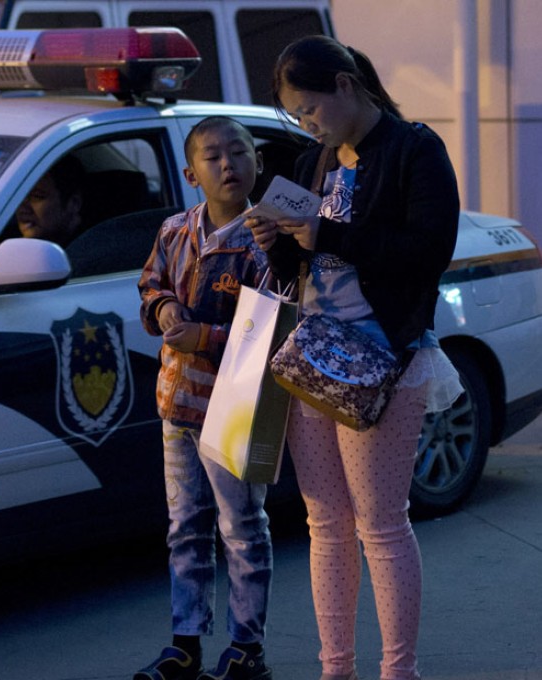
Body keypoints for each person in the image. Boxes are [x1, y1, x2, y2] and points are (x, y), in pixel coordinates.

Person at [246, 35, 463, 680]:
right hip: (315, 357)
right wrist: (276, 240)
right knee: (325, 524)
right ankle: (334, 667)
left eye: (308, 109)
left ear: (345, 85)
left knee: (381, 526)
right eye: (295, 117)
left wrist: (326, 231)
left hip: (383, 363)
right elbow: (299, 267)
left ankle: (399, 671)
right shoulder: (314, 161)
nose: (306, 125)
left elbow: (429, 253)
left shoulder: (414, 149)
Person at [136, 116, 273, 680]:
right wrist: (165, 308)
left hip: (235, 406)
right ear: (192, 174)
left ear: (256, 164)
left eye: (238, 153)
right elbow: (151, 282)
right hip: (176, 405)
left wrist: (206, 338)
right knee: (185, 525)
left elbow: (273, 328)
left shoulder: (266, 242)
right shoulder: (174, 230)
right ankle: (185, 642)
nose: (228, 165)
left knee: (241, 527)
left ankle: (247, 647)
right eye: (213, 157)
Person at [15, 155, 85, 246]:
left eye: (37, 196)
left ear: (74, 203)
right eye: (18, 196)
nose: (22, 208)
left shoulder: (92, 253)